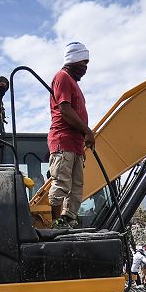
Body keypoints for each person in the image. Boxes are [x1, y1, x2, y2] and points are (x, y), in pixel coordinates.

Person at [48, 42, 93, 229]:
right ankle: (55, 222)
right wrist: (88, 131)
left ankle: (67, 222)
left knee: (76, 188)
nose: (85, 67)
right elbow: (65, 110)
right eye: (83, 62)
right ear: (73, 60)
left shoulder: (73, 82)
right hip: (63, 141)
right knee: (61, 183)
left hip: (75, 144)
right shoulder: (63, 77)